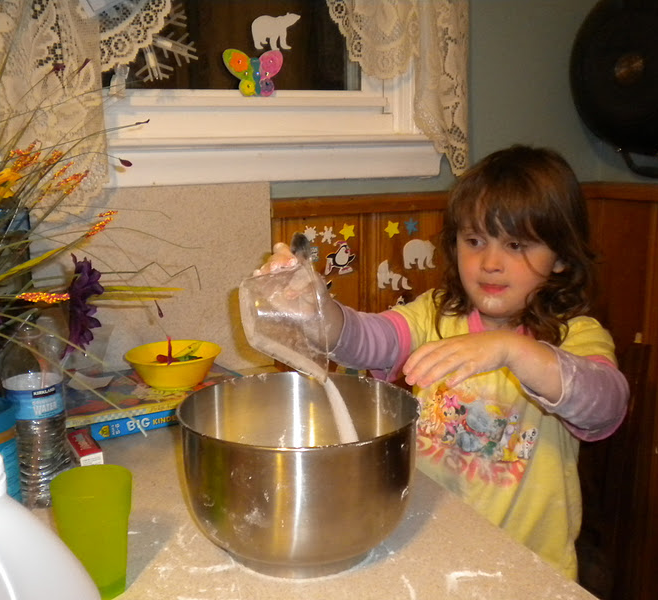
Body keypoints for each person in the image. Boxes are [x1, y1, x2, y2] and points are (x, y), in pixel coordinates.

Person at [254, 145, 629, 579]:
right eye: (475, 241)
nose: (490, 263)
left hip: (526, 571)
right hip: (434, 550)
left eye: (516, 244)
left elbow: (605, 406)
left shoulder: (575, 336)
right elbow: (365, 339)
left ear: (561, 257)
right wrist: (316, 310)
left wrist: (511, 349)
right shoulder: (435, 314)